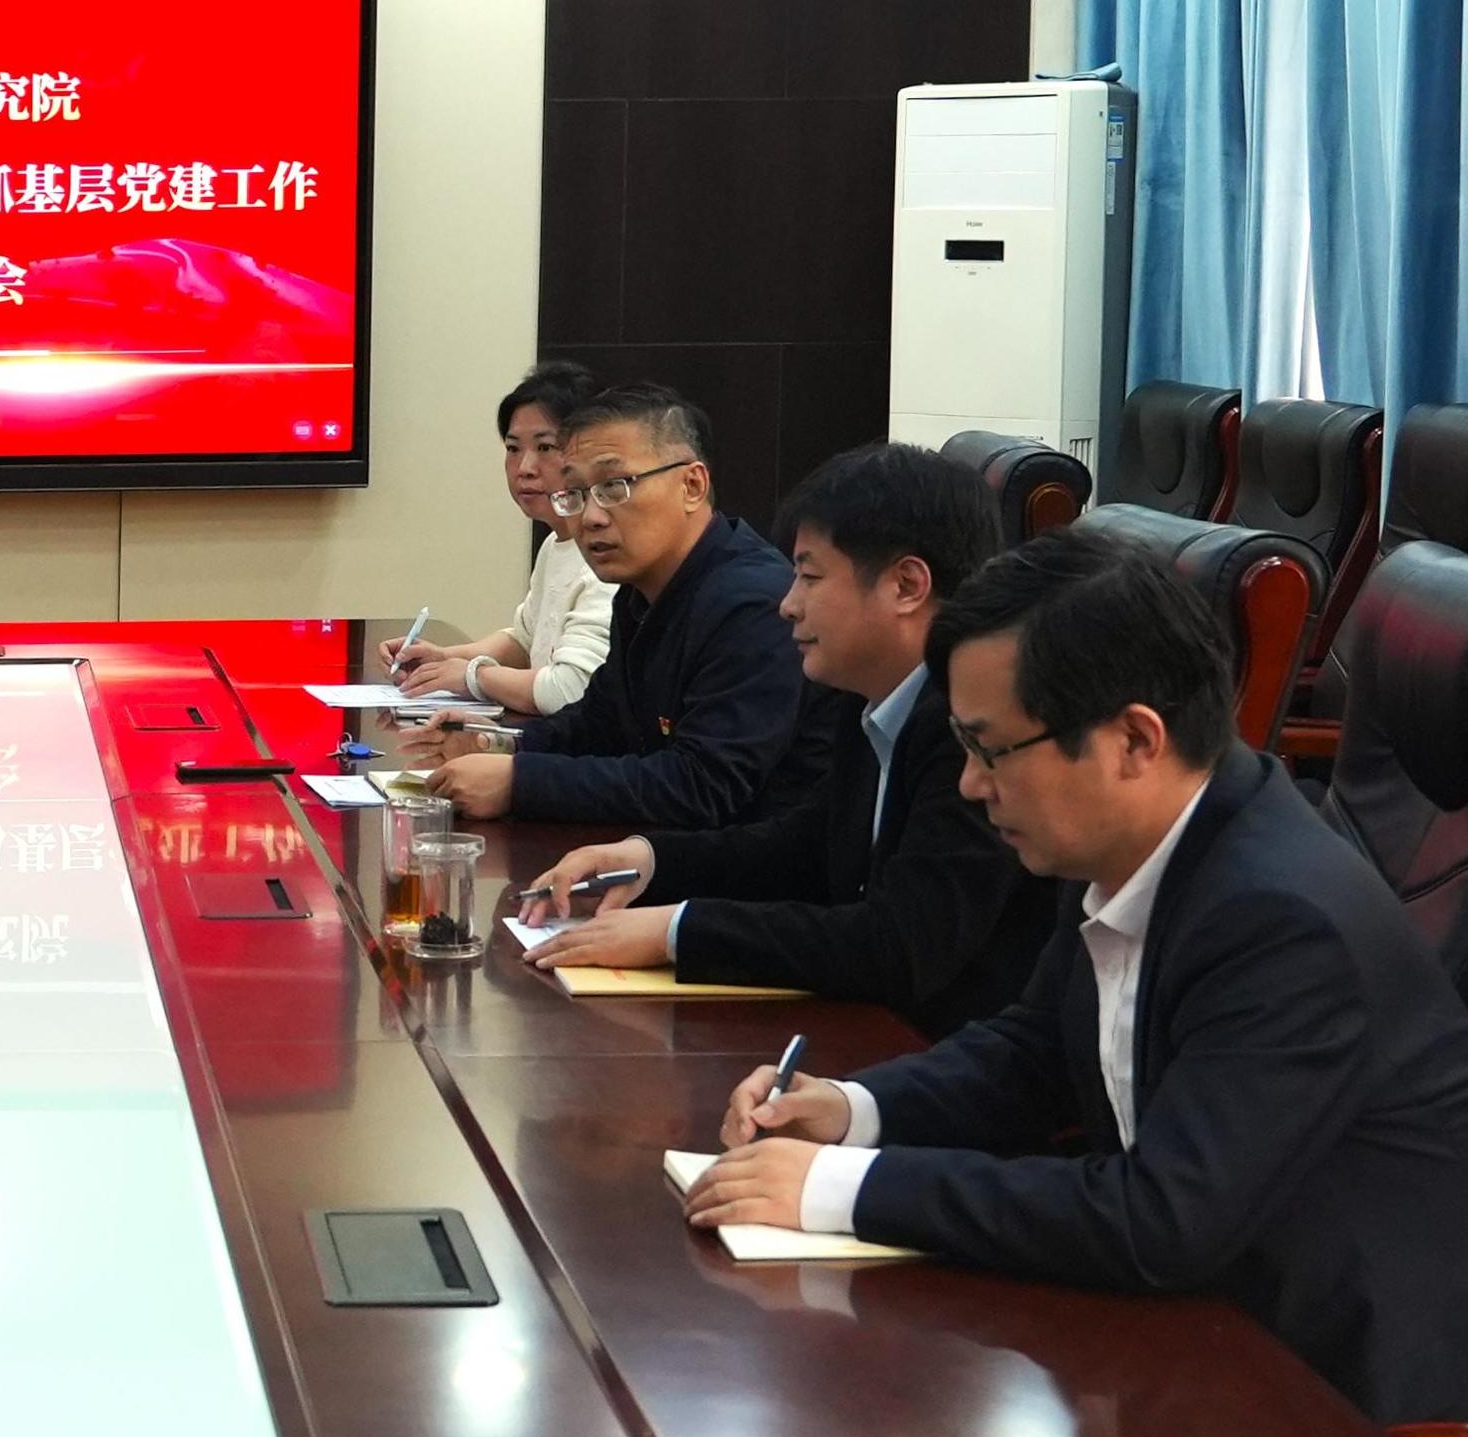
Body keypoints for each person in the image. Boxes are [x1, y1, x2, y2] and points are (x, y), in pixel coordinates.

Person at [679, 534, 1468, 1430]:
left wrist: (841, 1188)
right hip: (1214, 1347)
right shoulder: (1137, 842)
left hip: (1371, 1428)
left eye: (992, 749)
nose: (971, 784)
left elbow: (1161, 1218)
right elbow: (1033, 1052)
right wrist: (850, 1109)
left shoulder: (1281, 920)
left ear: (1135, 739)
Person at [519, 441, 1056, 1038]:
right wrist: (647, 861)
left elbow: (898, 944)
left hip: (944, 1053)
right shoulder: (873, 694)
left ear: (906, 585)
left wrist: (677, 932)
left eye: (809, 577)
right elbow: (806, 845)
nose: (788, 605)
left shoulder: (975, 729)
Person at [399, 383, 811, 832]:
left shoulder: (750, 602)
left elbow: (704, 785)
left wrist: (520, 781)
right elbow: (599, 722)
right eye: (575, 492)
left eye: (614, 487)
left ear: (692, 485)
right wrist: (500, 744)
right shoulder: (640, 592)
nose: (591, 517)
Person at [388, 360, 620, 716]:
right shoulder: (555, 543)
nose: (524, 468)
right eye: (513, 449)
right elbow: (526, 641)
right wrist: (442, 659)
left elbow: (570, 691)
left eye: (545, 447)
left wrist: (472, 675)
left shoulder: (607, 554)